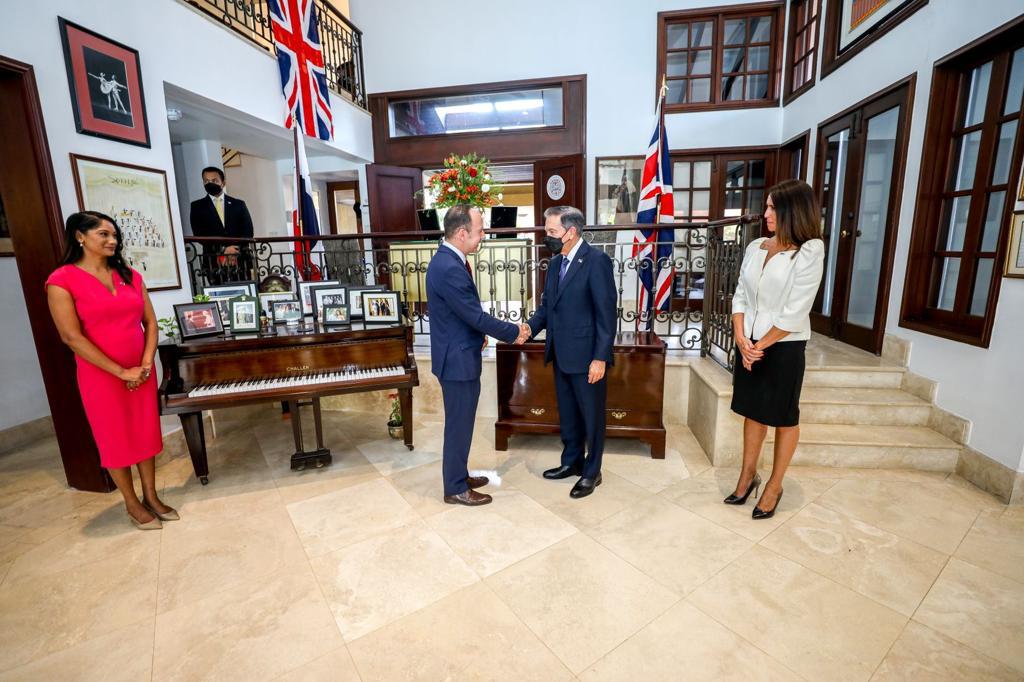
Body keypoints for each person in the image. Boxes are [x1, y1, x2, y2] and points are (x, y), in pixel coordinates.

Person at [46, 211, 178, 530]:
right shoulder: (61, 280)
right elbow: (71, 337)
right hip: (101, 375)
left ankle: (151, 496)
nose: (112, 240)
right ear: (80, 236)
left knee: (145, 432)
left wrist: (145, 364)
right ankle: (132, 503)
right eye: (103, 234)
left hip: (141, 371)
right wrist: (121, 372)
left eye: (115, 235)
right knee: (115, 437)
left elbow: (150, 323)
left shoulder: (130, 275)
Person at [726, 179, 825, 519]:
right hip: (749, 342)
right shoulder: (756, 246)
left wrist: (759, 346)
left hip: (784, 345)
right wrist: (741, 338)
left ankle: (774, 485)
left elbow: (796, 311)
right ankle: (747, 475)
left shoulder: (809, 251)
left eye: (772, 207)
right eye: (766, 206)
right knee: (753, 411)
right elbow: (740, 294)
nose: (765, 213)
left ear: (792, 211)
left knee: (784, 416)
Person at [425, 205, 530, 506]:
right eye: (480, 230)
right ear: (461, 233)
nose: (483, 235)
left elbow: (459, 315)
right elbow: (474, 315)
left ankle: (459, 475)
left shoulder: (449, 260)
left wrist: (478, 335)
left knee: (462, 422)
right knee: (458, 425)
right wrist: (513, 332)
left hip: (460, 352)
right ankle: (455, 488)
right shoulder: (448, 267)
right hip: (456, 361)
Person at [525, 206, 616, 499]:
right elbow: (546, 309)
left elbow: (606, 315)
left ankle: (592, 472)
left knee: (592, 417)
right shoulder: (555, 264)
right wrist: (527, 328)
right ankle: (572, 462)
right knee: (569, 415)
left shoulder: (597, 261)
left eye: (552, 231)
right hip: (560, 354)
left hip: (588, 357)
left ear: (571, 232)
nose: (547, 237)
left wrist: (600, 357)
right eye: (546, 231)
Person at [189, 166, 254, 283]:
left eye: (214, 180)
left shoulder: (238, 204)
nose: (210, 183)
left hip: (240, 260)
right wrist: (223, 249)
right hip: (213, 261)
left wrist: (234, 249)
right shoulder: (197, 206)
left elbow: (248, 231)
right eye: (206, 181)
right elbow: (199, 234)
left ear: (223, 183)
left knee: (244, 291)